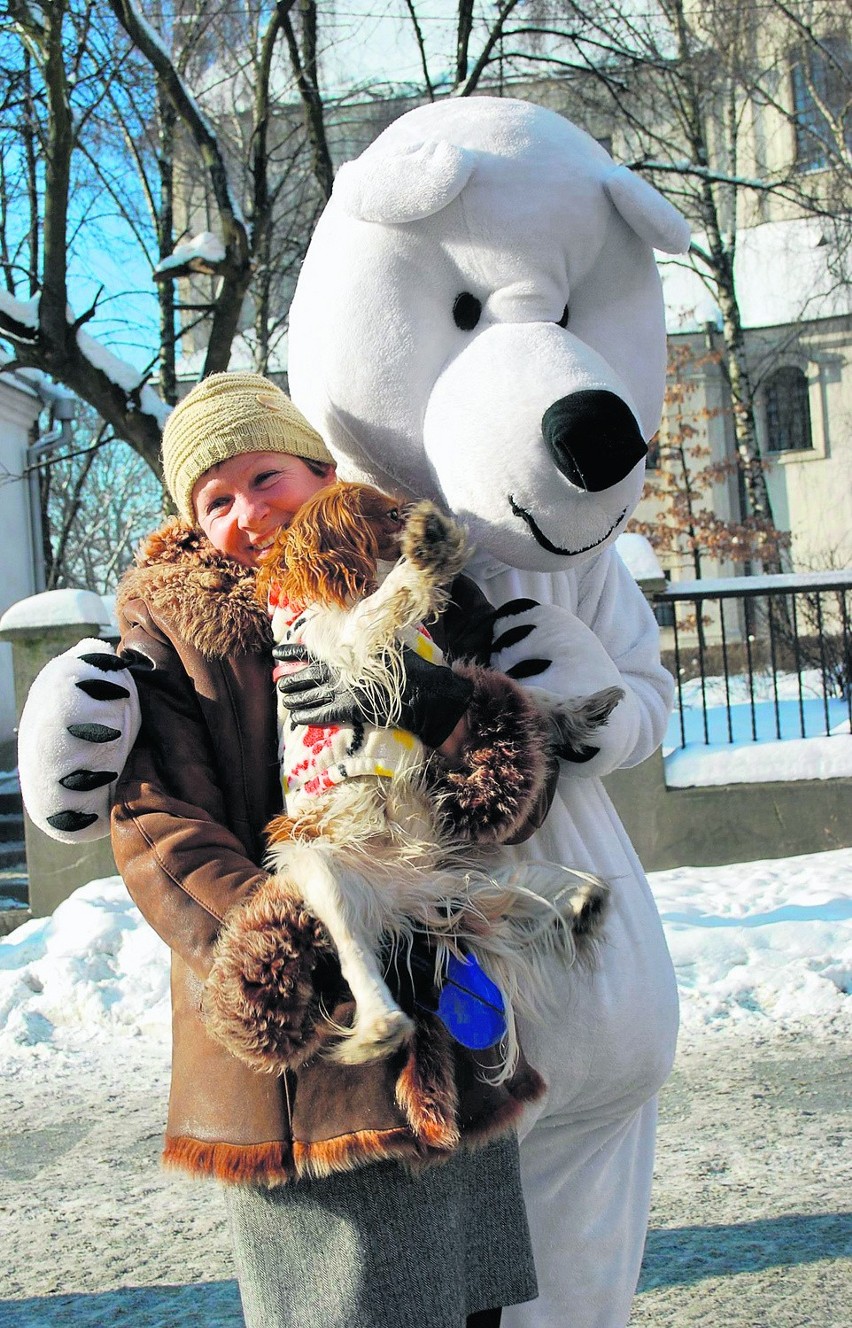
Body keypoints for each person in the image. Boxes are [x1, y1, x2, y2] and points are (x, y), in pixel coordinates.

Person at [104, 371, 559, 1328]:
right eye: (214, 500)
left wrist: (433, 707)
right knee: (341, 1305)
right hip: (299, 1027)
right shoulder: (170, 630)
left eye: (265, 477)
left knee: (468, 1302)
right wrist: (279, 931)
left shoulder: (429, 587)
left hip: (438, 987)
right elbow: (152, 818)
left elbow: (510, 799)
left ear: (319, 471)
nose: (247, 513)